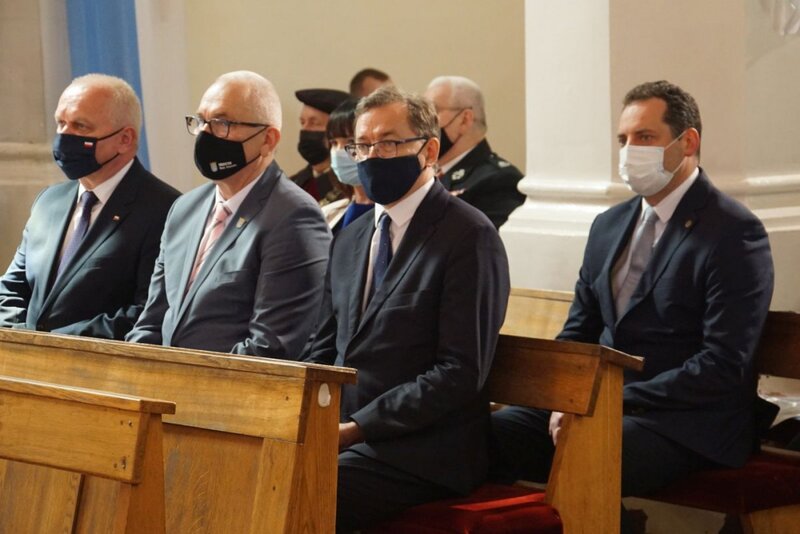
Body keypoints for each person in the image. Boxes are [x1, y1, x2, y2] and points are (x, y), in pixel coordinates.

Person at [491, 80, 775, 533]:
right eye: (623, 140)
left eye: (644, 137)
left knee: (587, 453)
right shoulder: (610, 224)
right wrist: (564, 396)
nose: (629, 151)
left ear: (688, 142)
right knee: (484, 437)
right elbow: (579, 331)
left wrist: (607, 404)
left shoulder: (733, 233)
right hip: (602, 408)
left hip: (685, 420)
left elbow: (722, 364)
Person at [304, 86, 510, 531]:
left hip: (425, 448)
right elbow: (322, 348)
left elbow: (458, 372)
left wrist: (358, 427)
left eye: (391, 142)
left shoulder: (467, 235)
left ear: (429, 149)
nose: (374, 155)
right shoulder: (352, 237)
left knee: (303, 486)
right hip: (346, 435)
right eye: (364, 145)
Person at [126, 71, 331, 359]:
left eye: (223, 123)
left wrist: (182, 384)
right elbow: (153, 319)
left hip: (230, 397)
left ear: (268, 140)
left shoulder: (294, 216)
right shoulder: (185, 209)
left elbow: (270, 347)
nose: (206, 134)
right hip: (163, 394)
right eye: (201, 121)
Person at [0, 74, 179, 340]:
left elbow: (148, 313)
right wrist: (21, 338)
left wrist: (54, 342)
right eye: (61, 123)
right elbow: (12, 288)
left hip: (100, 372)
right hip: (27, 366)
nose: (64, 136)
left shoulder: (167, 210)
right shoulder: (49, 201)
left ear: (125, 139)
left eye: (81, 127)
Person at [424, 76, 525, 228]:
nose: (423, 122)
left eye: (433, 111)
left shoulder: (499, 181)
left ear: (465, 119)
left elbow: (485, 247)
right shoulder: (424, 175)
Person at [288, 88, 350, 204]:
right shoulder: (290, 184)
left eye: (314, 123)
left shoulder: (349, 187)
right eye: (302, 122)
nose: (305, 129)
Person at [323, 98, 374, 233]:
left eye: (350, 141)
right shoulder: (328, 213)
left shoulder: (390, 214)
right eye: (334, 143)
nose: (339, 151)